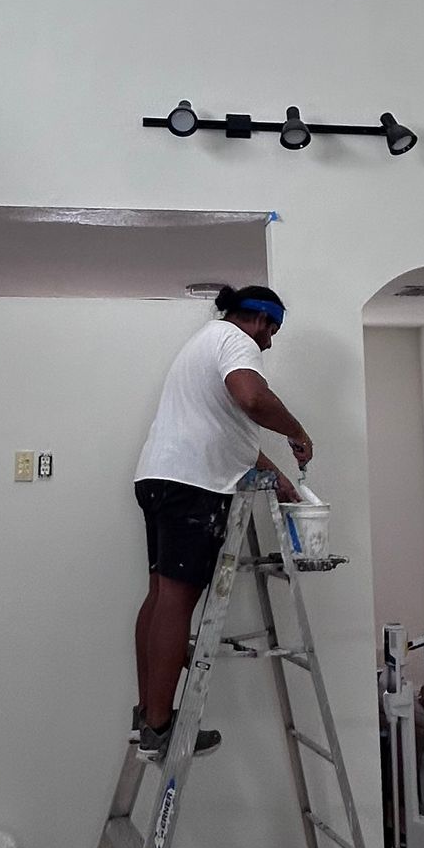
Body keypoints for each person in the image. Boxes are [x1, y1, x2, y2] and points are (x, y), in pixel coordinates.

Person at [130, 283, 313, 758]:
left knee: (160, 595)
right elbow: (252, 398)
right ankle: (160, 725)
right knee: (177, 601)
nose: (267, 344)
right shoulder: (235, 339)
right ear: (260, 320)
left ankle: (148, 711)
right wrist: (297, 431)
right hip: (192, 485)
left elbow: (228, 431)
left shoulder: (204, 343)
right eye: (271, 332)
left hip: (159, 477)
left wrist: (278, 476)